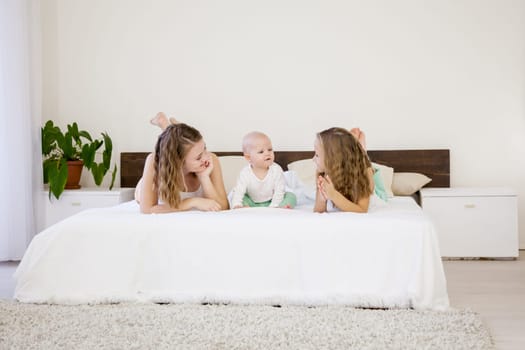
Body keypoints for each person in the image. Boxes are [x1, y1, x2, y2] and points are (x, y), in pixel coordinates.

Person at [135, 112, 229, 214]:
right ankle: (165, 124)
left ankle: (171, 128)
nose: (206, 157)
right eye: (198, 157)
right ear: (179, 162)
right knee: (140, 196)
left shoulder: (211, 159)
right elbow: (147, 209)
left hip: (176, 157)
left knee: (184, 144)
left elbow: (223, 207)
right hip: (153, 179)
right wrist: (191, 202)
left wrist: (204, 178)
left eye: (205, 148)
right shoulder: (154, 161)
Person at [313, 127, 374, 213]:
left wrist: (333, 195)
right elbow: (318, 211)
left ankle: (362, 150)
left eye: (317, 155)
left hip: (363, 171)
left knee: (369, 174)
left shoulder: (362, 174)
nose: (313, 160)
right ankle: (355, 146)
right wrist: (322, 198)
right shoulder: (322, 172)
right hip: (344, 168)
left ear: (332, 160)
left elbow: (362, 209)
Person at [231, 131, 296, 209]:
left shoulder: (276, 170)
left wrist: (273, 207)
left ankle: (282, 207)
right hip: (252, 202)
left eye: (270, 149)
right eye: (261, 152)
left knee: (291, 196)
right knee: (237, 196)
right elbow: (239, 191)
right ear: (248, 157)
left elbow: (279, 191)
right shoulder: (245, 173)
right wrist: (236, 204)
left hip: (272, 201)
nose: (267, 153)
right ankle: (243, 208)